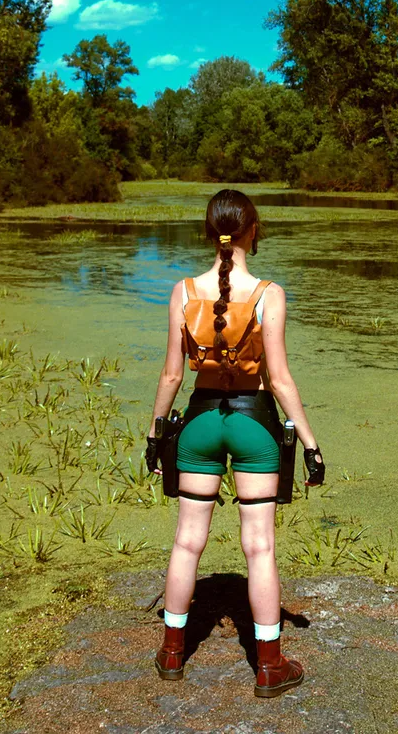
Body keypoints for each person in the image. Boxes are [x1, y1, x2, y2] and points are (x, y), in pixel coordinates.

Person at [144, 189, 325, 699]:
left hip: (200, 422)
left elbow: (171, 375)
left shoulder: (183, 291)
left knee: (187, 540)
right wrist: (310, 444)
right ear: (252, 230)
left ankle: (171, 653)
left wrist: (156, 435)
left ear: (210, 233)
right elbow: (280, 380)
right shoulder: (269, 293)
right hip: (253, 423)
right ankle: (269, 665)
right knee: (260, 545)